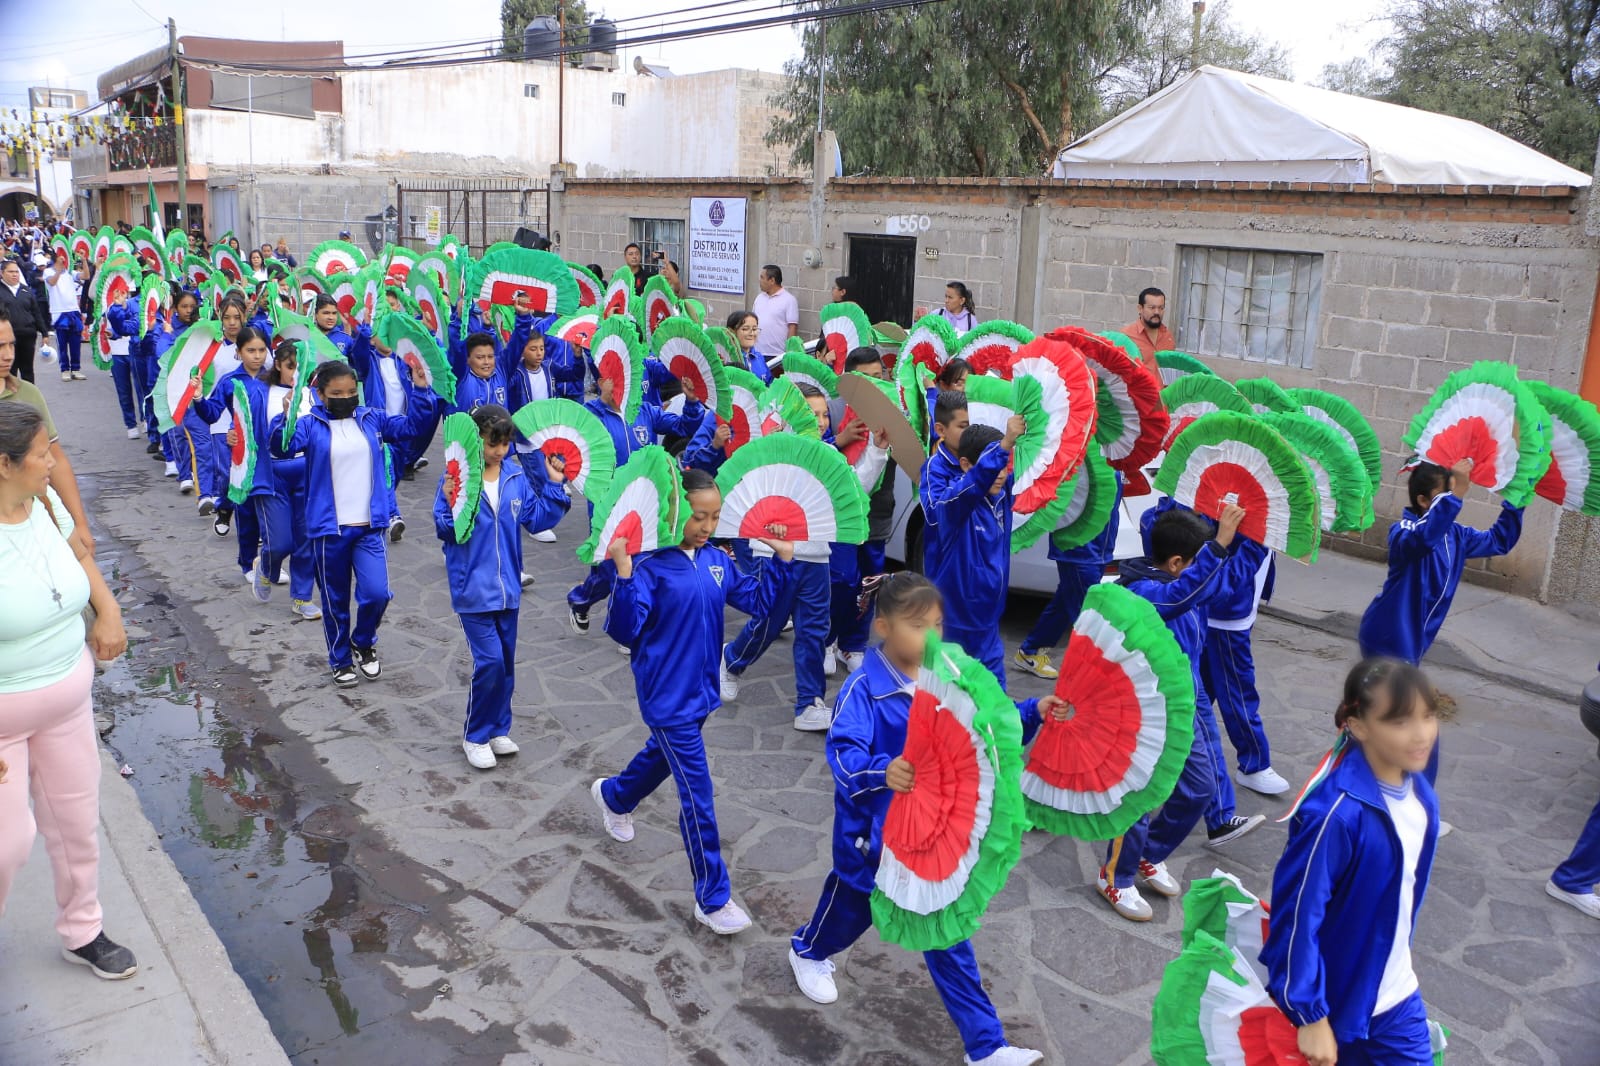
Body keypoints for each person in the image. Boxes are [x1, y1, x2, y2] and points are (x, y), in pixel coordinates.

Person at [788, 572, 1048, 1066]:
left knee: (946, 936)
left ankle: (985, 1046)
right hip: (871, 842)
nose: (930, 637)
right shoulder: (863, 689)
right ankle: (806, 949)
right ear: (883, 627)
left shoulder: (948, 676)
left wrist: (1036, 709)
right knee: (846, 915)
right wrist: (881, 773)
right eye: (916, 625)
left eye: (937, 625)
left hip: (928, 843)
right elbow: (842, 758)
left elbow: (991, 724)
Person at [590, 468, 795, 934]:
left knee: (663, 759)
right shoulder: (648, 566)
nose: (706, 526)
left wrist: (781, 560)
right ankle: (712, 897)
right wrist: (622, 573)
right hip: (666, 699)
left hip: (701, 693)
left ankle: (615, 796)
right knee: (698, 795)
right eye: (698, 516)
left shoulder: (717, 561)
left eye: (714, 517)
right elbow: (622, 630)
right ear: (674, 511)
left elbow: (760, 604)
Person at [0, 401, 137, 980]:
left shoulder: (43, 504)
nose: (50, 465)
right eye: (40, 456)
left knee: (76, 826)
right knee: (10, 843)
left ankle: (83, 931)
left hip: (67, 701)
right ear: (4, 465)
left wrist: (108, 611)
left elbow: (81, 556)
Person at [1261, 658, 1444, 1066]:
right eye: (1400, 722)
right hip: (1335, 1004)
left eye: (1428, 716)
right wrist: (1308, 1013)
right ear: (1359, 726)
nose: (1421, 734)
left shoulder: (1422, 796)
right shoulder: (1335, 815)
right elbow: (1296, 915)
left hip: (1396, 999)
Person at [1100, 503, 1253, 921]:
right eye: (1197, 561)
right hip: (1143, 709)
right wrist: (1218, 546)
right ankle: (1116, 876)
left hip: (1189, 699)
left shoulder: (1191, 581)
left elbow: (1224, 585)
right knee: (1139, 795)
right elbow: (1178, 596)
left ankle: (1150, 853)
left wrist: (1244, 537)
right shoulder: (1144, 592)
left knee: (1200, 788)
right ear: (1175, 563)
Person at [721, 382, 888, 731]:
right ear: (791, 418)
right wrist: (769, 530)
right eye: (813, 414)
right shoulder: (772, 459)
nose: (822, 421)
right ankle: (731, 659)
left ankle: (809, 702)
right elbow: (756, 503)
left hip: (816, 557)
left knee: (814, 629)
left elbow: (855, 490)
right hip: (775, 557)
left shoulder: (827, 460)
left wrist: (877, 450)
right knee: (767, 623)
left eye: (825, 413)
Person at [268, 360, 438, 685]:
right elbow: (281, 445)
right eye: (336, 393)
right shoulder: (309, 424)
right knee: (335, 601)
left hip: (369, 526)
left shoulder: (372, 418)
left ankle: (363, 642)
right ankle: (340, 658)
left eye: (350, 392)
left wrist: (419, 389)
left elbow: (413, 428)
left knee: (378, 593)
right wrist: (286, 416)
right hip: (328, 529)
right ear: (320, 394)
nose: (345, 398)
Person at [1357, 458, 1523, 786]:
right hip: (1386, 640)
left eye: (1454, 494)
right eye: (1445, 495)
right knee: (1419, 730)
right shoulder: (1403, 532)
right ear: (1422, 501)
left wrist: (1516, 500)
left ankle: (1370, 788)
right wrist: (1457, 496)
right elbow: (1421, 541)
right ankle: (1416, 805)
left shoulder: (1455, 535)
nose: (1453, 501)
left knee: (1387, 724)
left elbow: (1498, 541)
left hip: (1411, 645)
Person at [436, 405, 570, 769]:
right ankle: (475, 735)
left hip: (508, 589)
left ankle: (498, 729)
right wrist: (449, 502)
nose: (499, 450)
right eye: (492, 442)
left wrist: (557, 486)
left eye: (505, 443)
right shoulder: (457, 477)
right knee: (490, 662)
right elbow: (445, 530)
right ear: (475, 438)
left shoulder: (515, 476)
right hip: (472, 592)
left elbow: (535, 520)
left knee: (506, 664)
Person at [565, 372, 709, 634]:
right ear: (599, 381)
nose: (620, 383)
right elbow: (571, 453)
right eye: (613, 376)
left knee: (643, 562)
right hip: (608, 505)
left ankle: (632, 625)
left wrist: (690, 402)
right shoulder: (589, 416)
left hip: (646, 504)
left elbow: (684, 427)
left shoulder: (645, 411)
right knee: (608, 570)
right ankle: (580, 600)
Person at [918, 392, 1024, 683]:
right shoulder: (952, 492)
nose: (1000, 474)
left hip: (989, 620)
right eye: (963, 425)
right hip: (954, 619)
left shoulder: (999, 489)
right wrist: (1002, 446)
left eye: (1005, 466)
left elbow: (1009, 470)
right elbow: (940, 513)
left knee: (995, 704)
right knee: (949, 703)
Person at [190, 326, 290, 597]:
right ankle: (247, 563)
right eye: (250, 350)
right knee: (246, 513)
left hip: (273, 455)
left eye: (261, 350)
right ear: (238, 352)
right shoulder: (230, 382)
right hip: (244, 456)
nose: (256, 356)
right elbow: (212, 415)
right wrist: (198, 396)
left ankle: (269, 563)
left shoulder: (275, 379)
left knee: (273, 513)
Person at [0, 309, 93, 558]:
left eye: (11, 345)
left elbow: (56, 460)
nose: (8, 355)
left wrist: (80, 524)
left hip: (38, 527)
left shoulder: (28, 394)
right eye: (0, 346)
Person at [825, 348, 895, 677]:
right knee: (840, 581)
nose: (875, 385)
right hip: (838, 517)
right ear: (851, 379)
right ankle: (826, 640)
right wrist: (839, 439)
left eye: (879, 378)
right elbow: (811, 452)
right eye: (867, 379)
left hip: (876, 514)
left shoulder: (896, 409)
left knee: (869, 582)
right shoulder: (832, 408)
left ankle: (852, 645)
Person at [1013, 474, 1122, 680]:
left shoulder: (1110, 453)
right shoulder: (1075, 455)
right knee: (1088, 615)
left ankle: (1030, 650)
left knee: (1065, 602)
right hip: (1079, 550)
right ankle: (1099, 675)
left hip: (1098, 548)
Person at [260, 341, 321, 620]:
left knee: (306, 538)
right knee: (280, 542)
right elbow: (255, 435)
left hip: (307, 473)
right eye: (290, 367)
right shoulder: (264, 393)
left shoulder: (312, 396)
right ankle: (267, 566)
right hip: (274, 474)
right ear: (278, 366)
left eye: (301, 368)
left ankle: (302, 596)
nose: (295, 374)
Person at [200, 294, 249, 528]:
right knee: (226, 470)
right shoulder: (213, 347)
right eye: (227, 317)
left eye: (237, 317)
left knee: (247, 466)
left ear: (244, 317)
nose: (232, 323)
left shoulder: (254, 345)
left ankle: (249, 520)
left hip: (248, 415)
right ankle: (225, 507)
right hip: (220, 414)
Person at [0, 258, 47, 384]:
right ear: (2, 273)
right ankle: (10, 399)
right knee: (10, 370)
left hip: (27, 335)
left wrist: (44, 333)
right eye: (11, 272)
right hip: (8, 338)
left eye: (16, 272)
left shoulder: (26, 290)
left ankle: (31, 398)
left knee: (27, 369)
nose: (15, 274)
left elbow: (36, 312)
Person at [42, 253, 85, 385]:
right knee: (62, 343)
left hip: (73, 310)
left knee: (75, 342)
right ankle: (64, 369)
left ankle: (76, 369)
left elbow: (86, 276)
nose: (64, 259)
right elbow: (52, 282)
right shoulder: (48, 271)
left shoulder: (70, 273)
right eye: (62, 257)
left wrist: (83, 260)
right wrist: (59, 270)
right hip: (59, 311)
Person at [1121, 287, 1175, 382]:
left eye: (1161, 308)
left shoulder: (1168, 337)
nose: (1157, 312)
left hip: (1163, 395)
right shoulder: (1126, 336)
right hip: (1137, 395)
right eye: (1152, 308)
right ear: (1140, 308)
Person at [752, 265, 799, 358]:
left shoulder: (789, 300)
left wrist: (789, 353)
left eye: (762, 277)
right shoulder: (759, 298)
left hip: (777, 355)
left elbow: (792, 327)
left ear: (772, 281)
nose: (759, 281)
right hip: (757, 352)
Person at [725, 310, 769, 382]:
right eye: (745, 329)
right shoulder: (726, 359)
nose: (751, 333)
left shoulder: (758, 357)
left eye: (754, 329)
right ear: (731, 331)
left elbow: (769, 383)